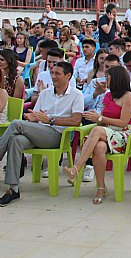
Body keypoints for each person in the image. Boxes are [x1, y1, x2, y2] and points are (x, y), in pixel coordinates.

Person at [0, 61, 83, 205]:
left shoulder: (76, 95)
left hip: (57, 136)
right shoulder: (45, 93)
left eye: (57, 73)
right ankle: (14, 189)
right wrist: (32, 118)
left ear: (68, 76)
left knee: (16, 123)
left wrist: (50, 120)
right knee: (16, 140)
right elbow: (36, 117)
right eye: (52, 73)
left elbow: (76, 120)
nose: (53, 76)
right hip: (39, 132)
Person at [63, 66, 131, 204]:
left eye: (107, 77)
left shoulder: (129, 96)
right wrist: (99, 119)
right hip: (107, 132)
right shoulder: (108, 95)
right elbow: (102, 116)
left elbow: (123, 122)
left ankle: (77, 168)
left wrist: (100, 119)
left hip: (124, 134)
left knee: (97, 131)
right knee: (99, 147)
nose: (105, 80)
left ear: (116, 79)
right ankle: (101, 187)